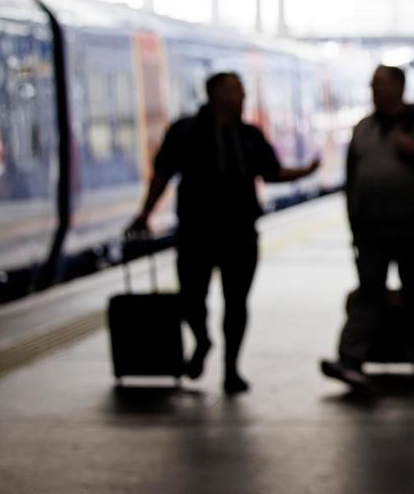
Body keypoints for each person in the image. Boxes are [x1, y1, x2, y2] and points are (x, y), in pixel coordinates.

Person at [128, 72, 319, 394]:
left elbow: (271, 172)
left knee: (237, 302)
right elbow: (162, 174)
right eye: (236, 92)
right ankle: (202, 340)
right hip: (196, 231)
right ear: (216, 94)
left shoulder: (249, 135)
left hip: (240, 231)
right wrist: (145, 213)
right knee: (191, 298)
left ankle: (232, 369)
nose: (243, 97)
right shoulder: (185, 131)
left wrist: (305, 172)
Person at [321, 65, 414, 391]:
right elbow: (353, 180)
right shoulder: (363, 128)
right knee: (368, 293)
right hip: (371, 230)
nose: (375, 92)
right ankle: (350, 359)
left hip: (412, 226)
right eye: (372, 86)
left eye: (381, 85)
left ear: (399, 87)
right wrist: (354, 224)